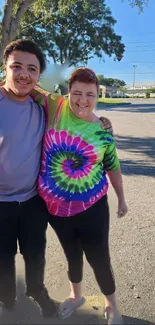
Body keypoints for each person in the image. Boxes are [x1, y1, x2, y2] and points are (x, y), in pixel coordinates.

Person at [33, 68, 128, 324]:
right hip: (55, 208)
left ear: (98, 94)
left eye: (90, 94)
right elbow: (21, 82)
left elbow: (113, 166)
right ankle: (76, 297)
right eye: (77, 93)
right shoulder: (54, 105)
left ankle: (112, 306)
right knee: (71, 255)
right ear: (68, 92)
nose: (82, 100)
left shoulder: (102, 131)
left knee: (99, 258)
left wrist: (121, 197)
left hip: (92, 207)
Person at [0, 39, 56, 316]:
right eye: (17, 66)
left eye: (32, 69)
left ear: (38, 76)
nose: (24, 74)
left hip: (33, 200)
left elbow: (78, 114)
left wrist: (101, 122)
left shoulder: (42, 108)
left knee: (35, 254)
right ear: (5, 68)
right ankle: (6, 297)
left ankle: (37, 291)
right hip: (0, 203)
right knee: (2, 257)